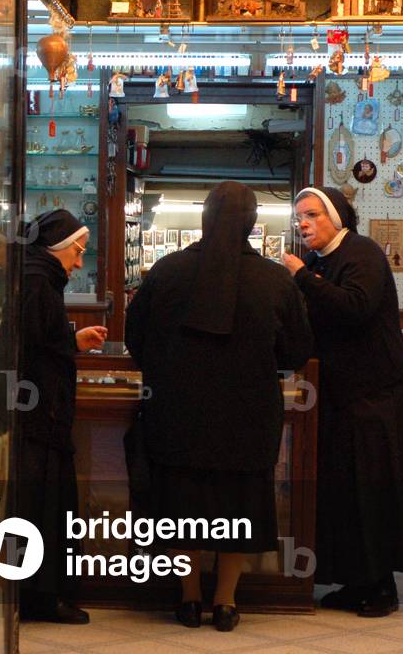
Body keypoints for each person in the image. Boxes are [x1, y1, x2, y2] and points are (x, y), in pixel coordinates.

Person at [125, 181, 312, 631]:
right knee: (240, 506)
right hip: (247, 417)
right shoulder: (274, 280)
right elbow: (296, 352)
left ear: (205, 218)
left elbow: (136, 342)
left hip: (177, 414)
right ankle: (226, 601)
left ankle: (189, 597)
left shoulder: (166, 271)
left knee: (182, 506)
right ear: (252, 223)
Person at [281, 186, 403, 617]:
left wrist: (301, 278)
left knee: (373, 490)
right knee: (343, 493)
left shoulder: (361, 252)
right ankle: (354, 580)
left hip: (375, 395)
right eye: (299, 218)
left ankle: (382, 587)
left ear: (336, 217)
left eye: (310, 215)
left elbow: (356, 308)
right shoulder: (318, 261)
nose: (302, 224)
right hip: (340, 395)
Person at [17, 209, 107, 624]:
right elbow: (32, 346)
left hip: (36, 413)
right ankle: (43, 597)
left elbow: (38, 338)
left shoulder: (36, 277)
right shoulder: (38, 281)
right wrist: (67, 343)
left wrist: (72, 339)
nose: (78, 262)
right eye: (78, 251)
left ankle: (41, 595)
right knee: (45, 509)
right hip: (41, 417)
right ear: (58, 248)